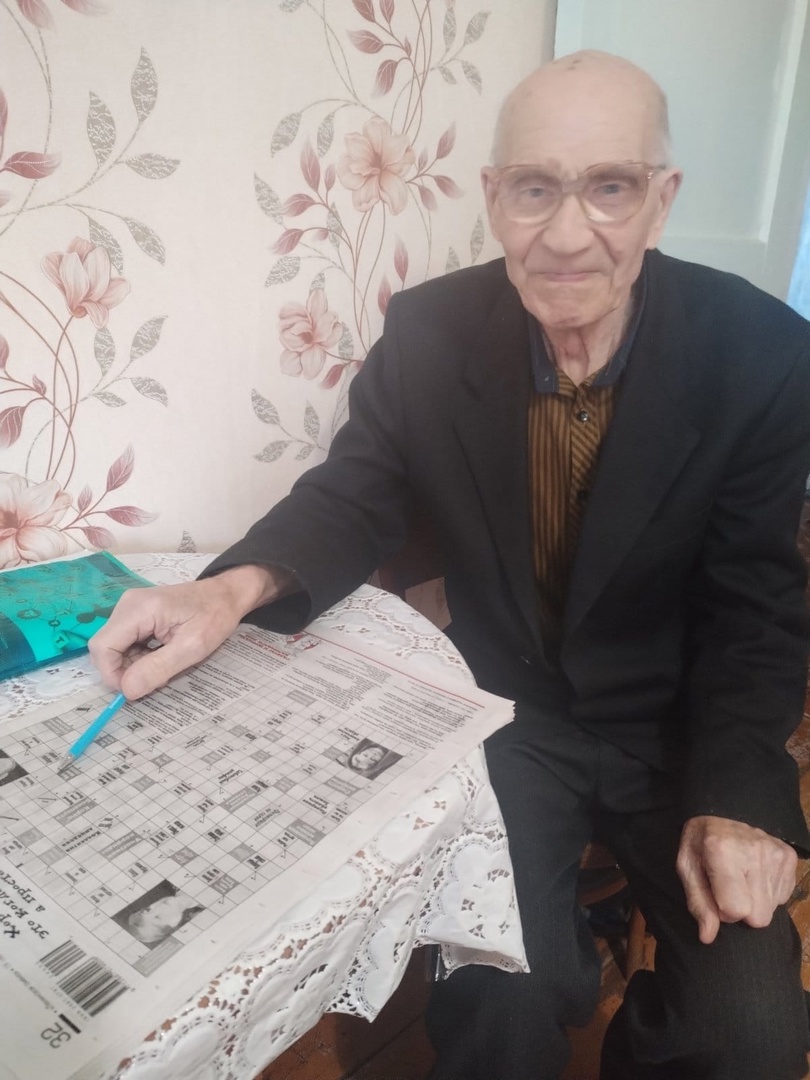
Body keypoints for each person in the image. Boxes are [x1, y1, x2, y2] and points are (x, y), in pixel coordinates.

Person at [89, 51, 810, 1080]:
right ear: (493, 198)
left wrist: (740, 798)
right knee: (499, 1003)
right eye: (535, 188)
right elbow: (356, 494)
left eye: (610, 187)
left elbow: (757, 605)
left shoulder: (764, 352)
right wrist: (227, 590)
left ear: (662, 201)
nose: (568, 234)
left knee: (752, 1035)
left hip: (685, 731)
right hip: (508, 720)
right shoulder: (429, 330)